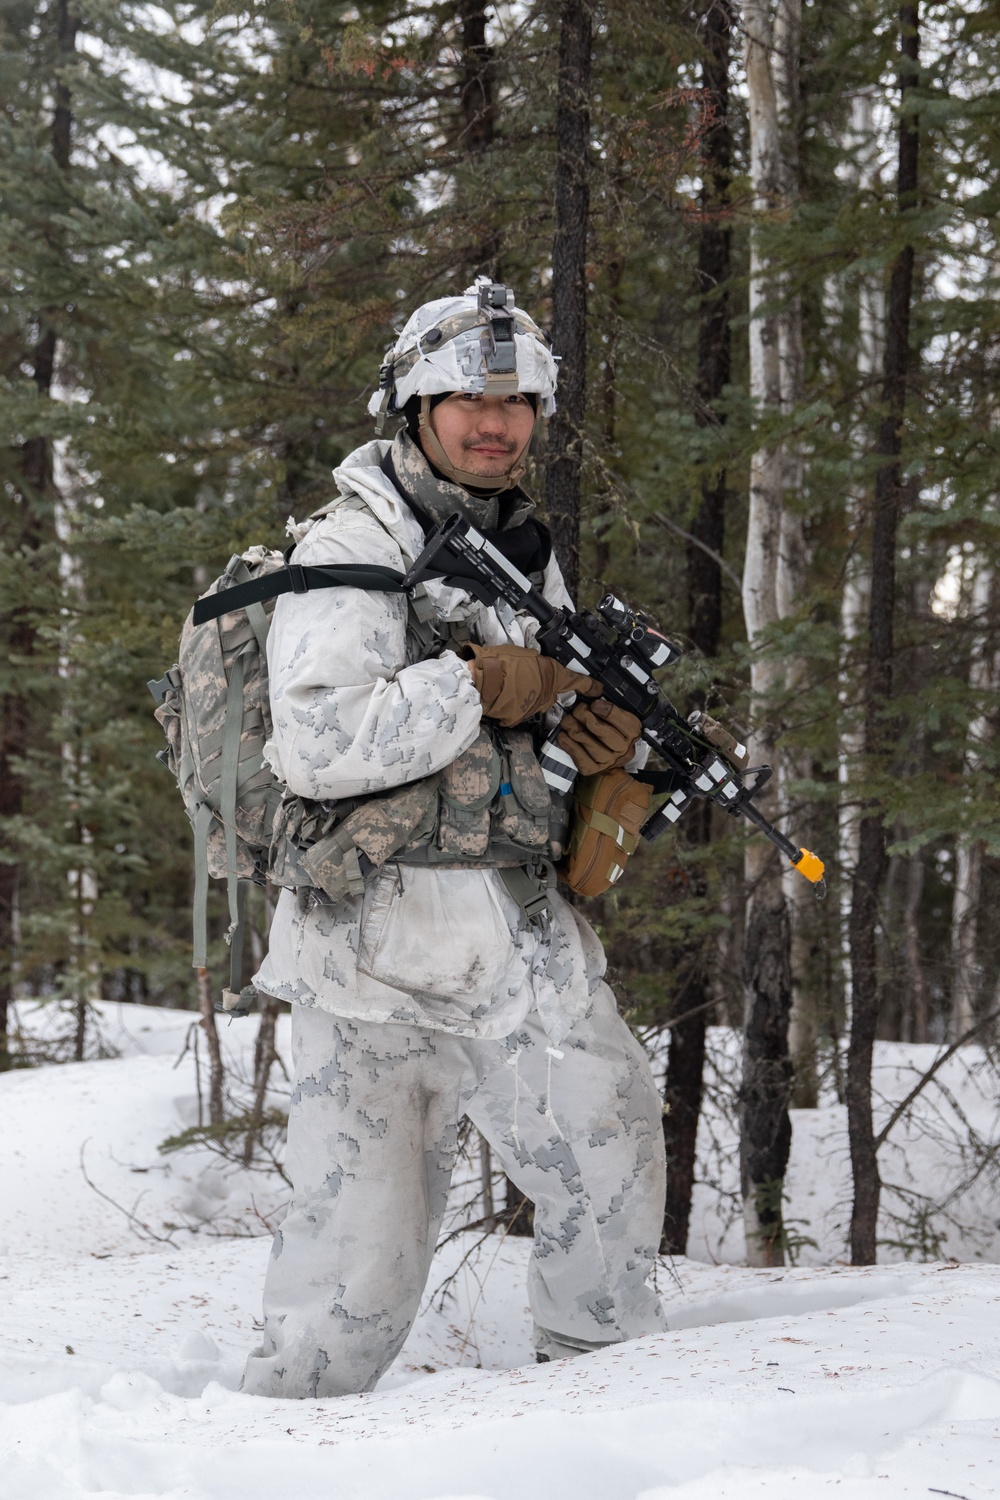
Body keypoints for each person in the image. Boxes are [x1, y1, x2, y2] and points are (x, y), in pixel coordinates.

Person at [242, 278, 667, 1400]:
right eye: (468, 400)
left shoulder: (516, 546)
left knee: (608, 1154)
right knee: (350, 1273)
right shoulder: (353, 542)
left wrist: (595, 742)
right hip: (375, 948)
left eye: (520, 402)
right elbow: (318, 739)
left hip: (519, 937)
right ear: (412, 405)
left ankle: (616, 1432)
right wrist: (476, 684)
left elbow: (536, 729)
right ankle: (271, 1458)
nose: (497, 422)